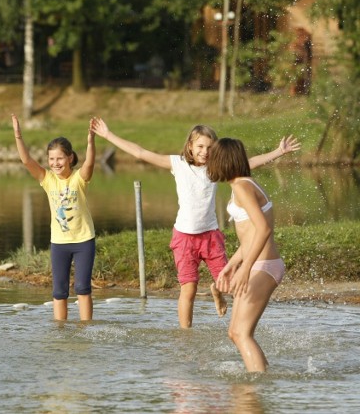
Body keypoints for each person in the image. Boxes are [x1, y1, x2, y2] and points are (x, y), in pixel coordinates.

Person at [90, 117, 299, 328]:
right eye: (200, 146)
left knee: (229, 283)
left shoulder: (215, 168)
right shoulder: (178, 164)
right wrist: (108, 135)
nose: (204, 152)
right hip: (184, 238)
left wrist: (278, 152)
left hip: (210, 236)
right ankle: (185, 334)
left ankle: (217, 292)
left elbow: (248, 163)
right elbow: (141, 153)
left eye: (210, 147)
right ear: (190, 145)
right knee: (188, 289)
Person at [206, 138, 284, 372]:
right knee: (235, 333)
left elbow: (263, 229)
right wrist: (232, 265)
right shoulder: (245, 183)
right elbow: (250, 236)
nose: (208, 161)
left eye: (212, 156)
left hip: (263, 266)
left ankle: (257, 389)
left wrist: (246, 269)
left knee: (241, 333)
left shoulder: (241, 187)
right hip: (260, 263)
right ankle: (262, 378)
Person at [12, 114, 96, 321]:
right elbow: (26, 160)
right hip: (59, 243)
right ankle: (60, 330)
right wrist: (18, 135)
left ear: (69, 158)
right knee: (59, 292)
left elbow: (89, 164)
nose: (55, 163)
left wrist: (90, 141)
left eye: (59, 158)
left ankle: (86, 329)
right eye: (51, 159)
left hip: (83, 241)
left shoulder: (78, 179)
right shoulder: (47, 179)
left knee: (82, 288)